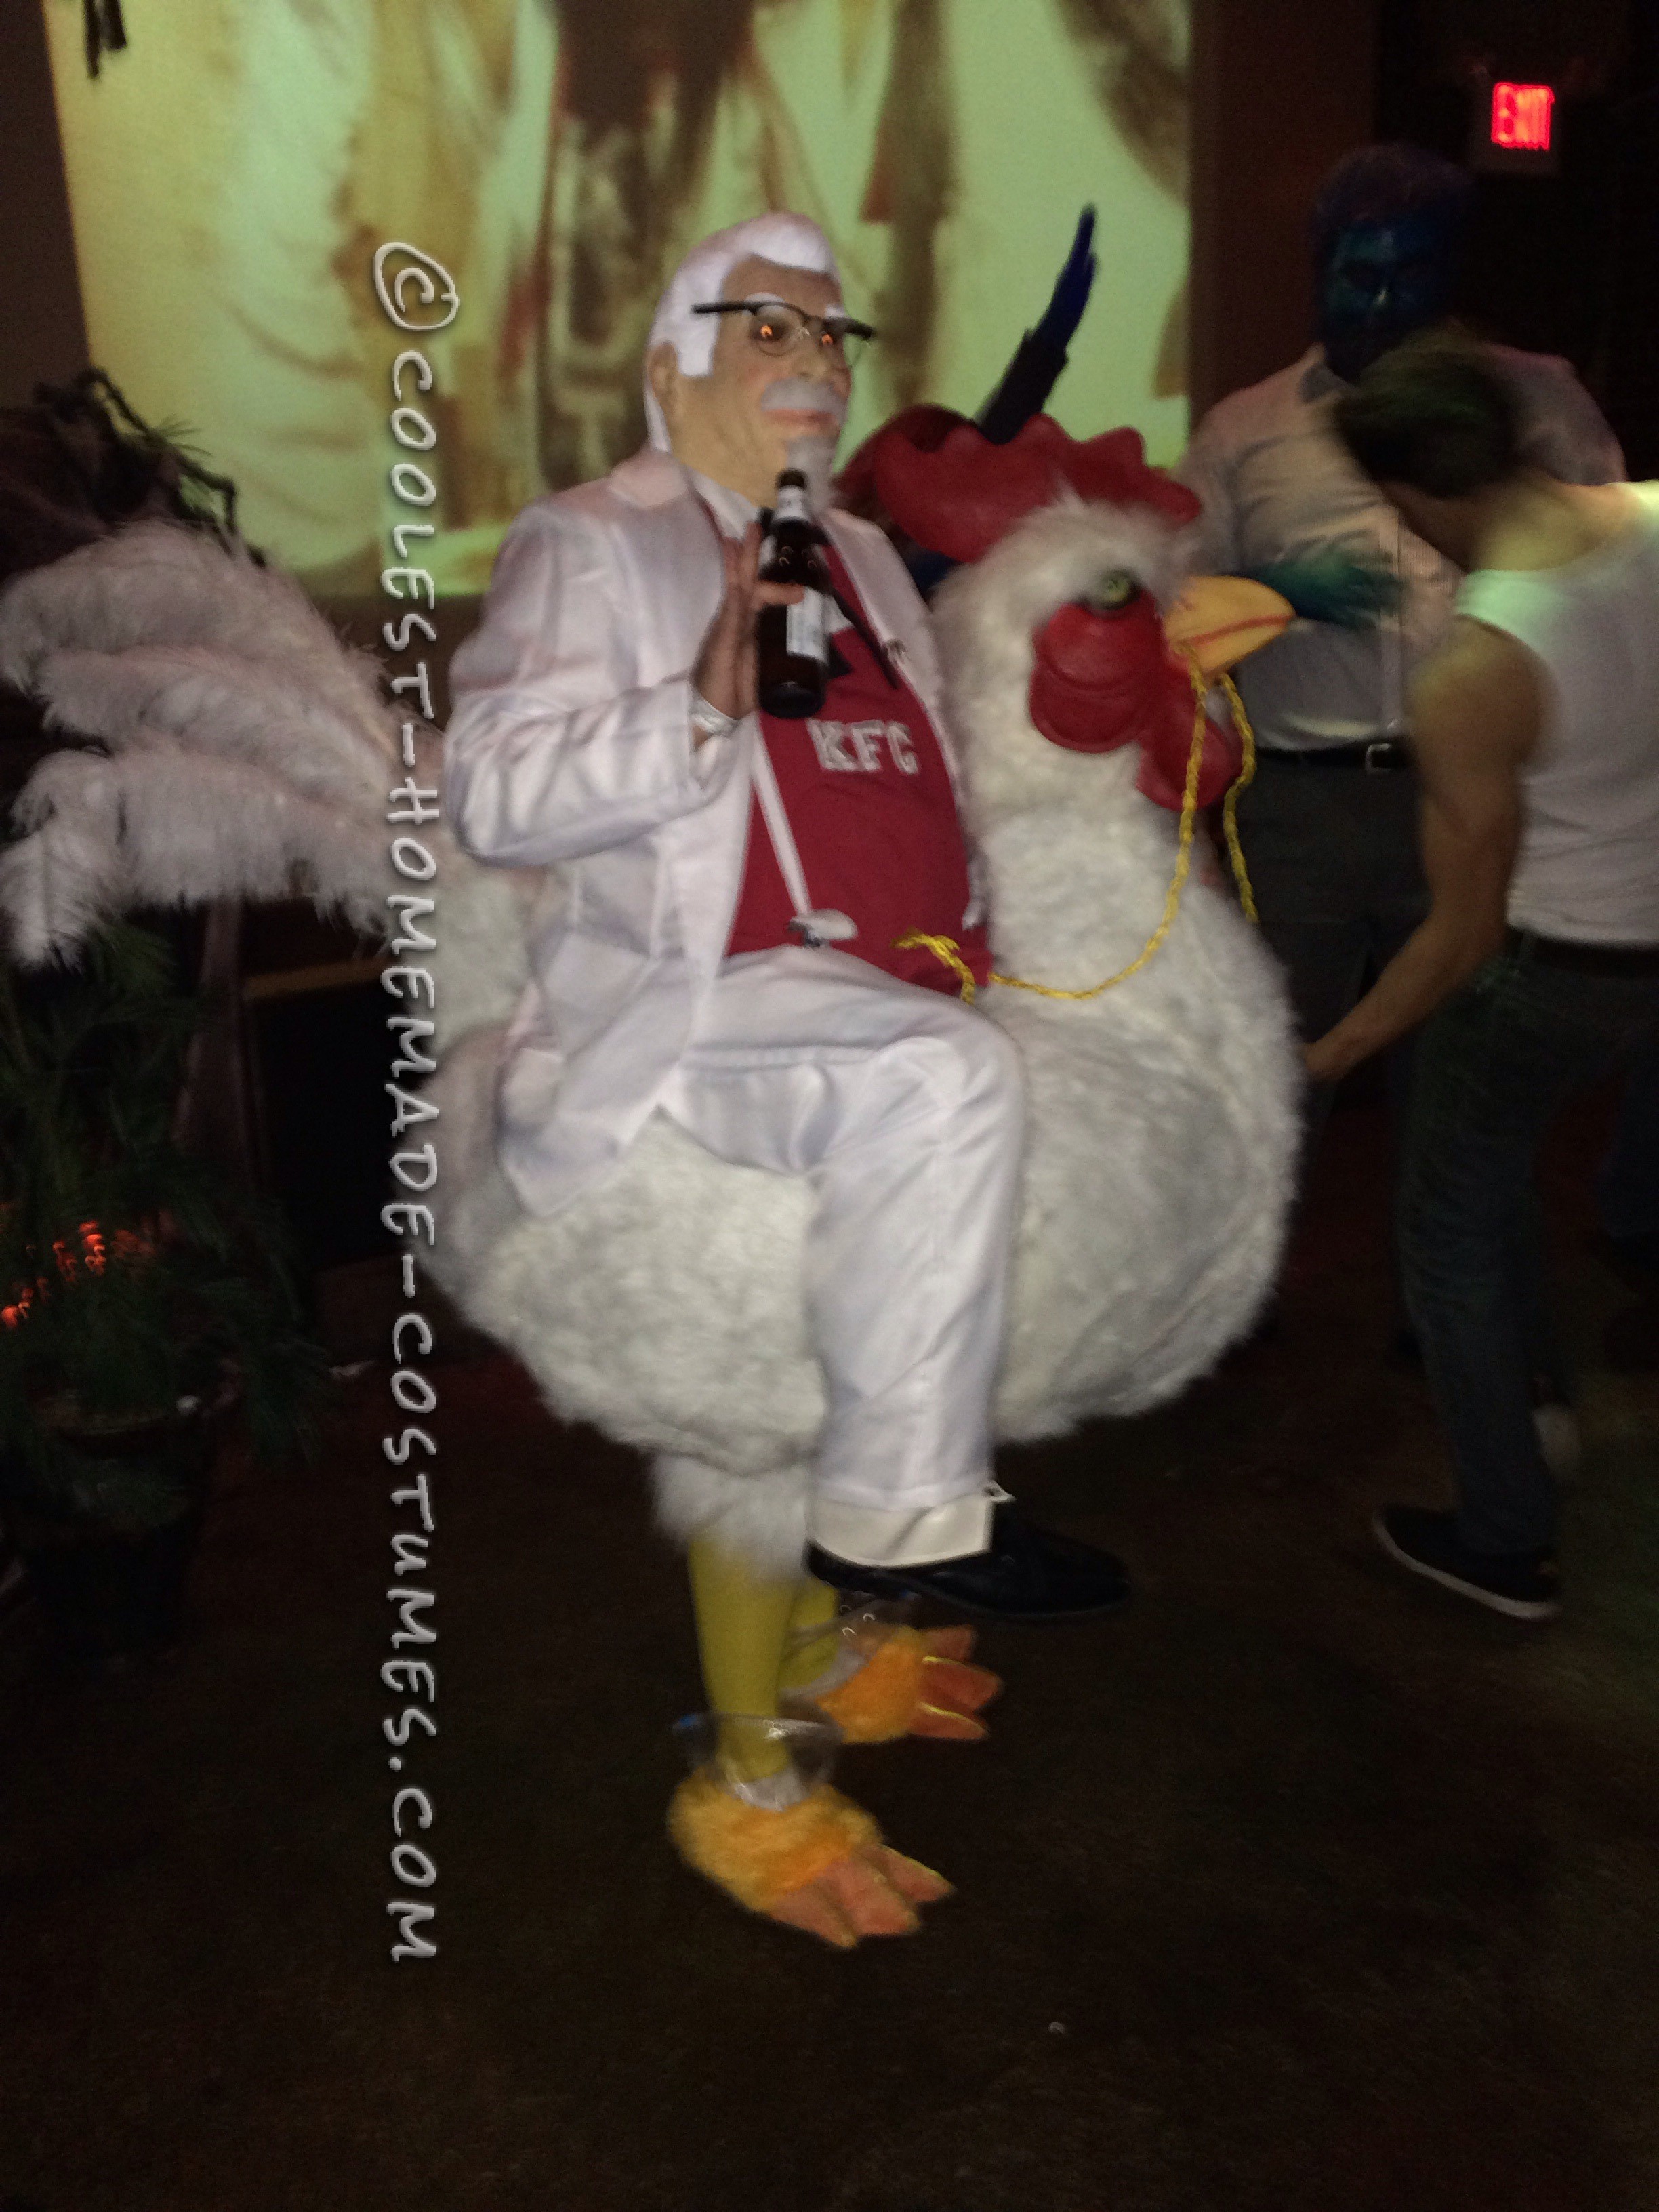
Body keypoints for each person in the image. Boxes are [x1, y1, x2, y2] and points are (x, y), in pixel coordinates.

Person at [443, 211, 1126, 1940]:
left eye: (834, 336)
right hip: (715, 1012)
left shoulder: (873, 561)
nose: (817, 364)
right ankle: (864, 1601)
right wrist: (689, 706)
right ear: (673, 362)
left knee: (953, 1152)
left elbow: (921, 778)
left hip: (876, 992)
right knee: (929, 1102)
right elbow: (492, 796)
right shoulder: (594, 544)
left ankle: (840, 1640)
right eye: (771, 333)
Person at [1302, 333, 1659, 1620]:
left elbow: (1456, 938)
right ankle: (1536, 1398)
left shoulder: (1478, 671)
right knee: (1489, 1170)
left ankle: (1506, 1542)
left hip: (1549, 972)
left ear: (1414, 495)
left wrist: (1330, 1056)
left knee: (1443, 1226)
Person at [1177, 146, 1624, 1148]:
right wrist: (1280, 592)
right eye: (1355, 272)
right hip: (1300, 803)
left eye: (1407, 273)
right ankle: (1246, 1297)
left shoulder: (1540, 399)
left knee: (1459, 1080)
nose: (1378, 301)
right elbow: (1172, 608)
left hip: (1476, 791)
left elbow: (1613, 566)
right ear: (1318, 268)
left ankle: (1439, 1298)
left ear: (1448, 273)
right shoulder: (1242, 431)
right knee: (1279, 1069)